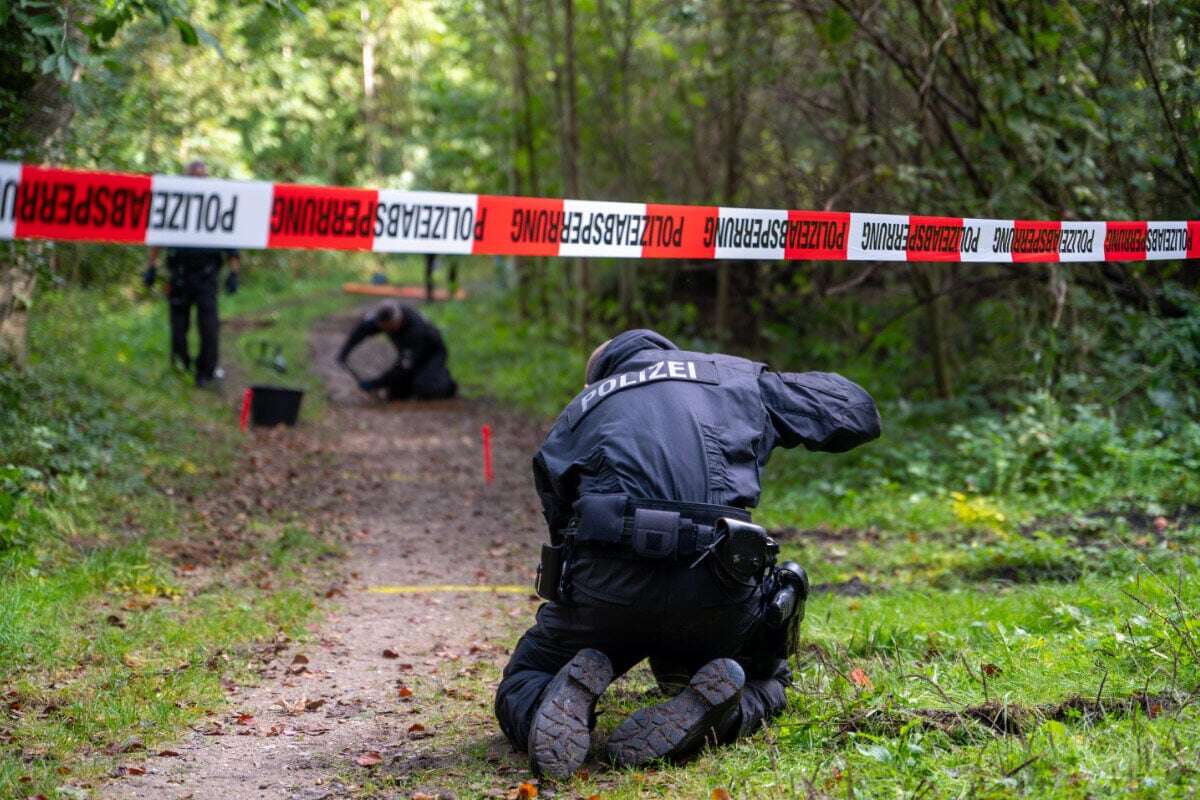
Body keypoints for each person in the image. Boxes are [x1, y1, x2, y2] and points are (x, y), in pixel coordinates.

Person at [494, 329, 881, 778]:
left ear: (598, 377)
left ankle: (552, 700)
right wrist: (767, 388)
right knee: (766, 678)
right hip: (716, 585)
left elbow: (562, 535)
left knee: (526, 677)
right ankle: (720, 710)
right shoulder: (733, 379)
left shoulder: (579, 410)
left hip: (608, 594)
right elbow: (857, 413)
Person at [142, 160, 240, 387]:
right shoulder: (175, 204)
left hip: (206, 278)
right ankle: (181, 367)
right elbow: (159, 238)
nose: (199, 181)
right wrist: (151, 267)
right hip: (179, 276)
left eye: (202, 177)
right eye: (194, 177)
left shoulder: (217, 207)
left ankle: (205, 372)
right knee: (178, 328)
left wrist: (233, 274)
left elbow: (233, 247)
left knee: (209, 328)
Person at [336, 300, 457, 399]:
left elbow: (403, 366)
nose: (388, 330)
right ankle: (413, 385)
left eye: (391, 327)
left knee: (426, 389)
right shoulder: (380, 318)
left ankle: (446, 383)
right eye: (384, 328)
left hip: (432, 353)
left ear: (399, 320)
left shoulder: (415, 329)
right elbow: (360, 331)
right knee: (395, 394)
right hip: (410, 355)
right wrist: (344, 353)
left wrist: (375, 383)